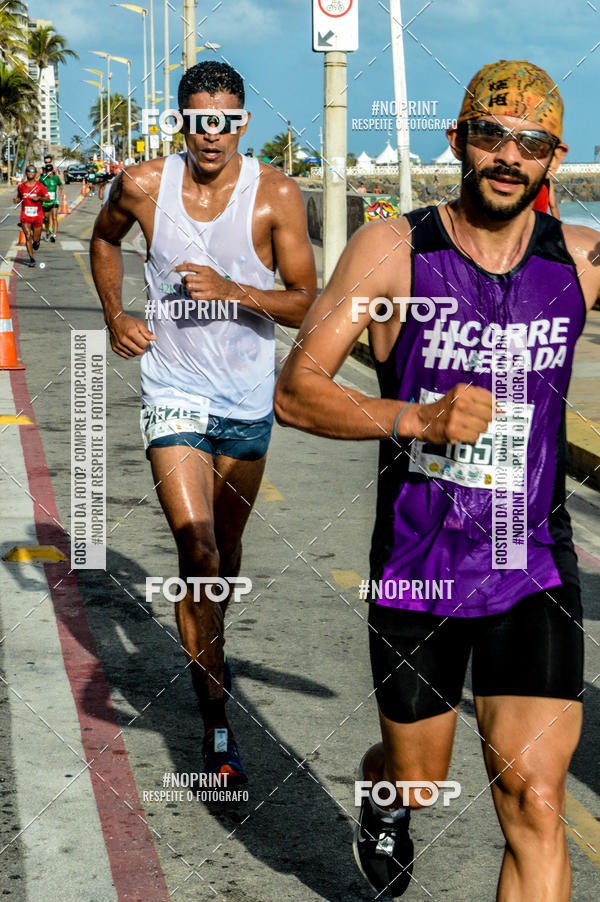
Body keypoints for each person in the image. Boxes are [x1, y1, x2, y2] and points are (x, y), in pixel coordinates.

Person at [275, 59, 597, 900]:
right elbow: (297, 390)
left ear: (554, 160)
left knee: (535, 796)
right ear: (457, 140)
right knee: (418, 777)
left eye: (530, 143)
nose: (508, 156)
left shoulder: (583, 260)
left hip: (534, 563)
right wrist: (416, 418)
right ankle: (385, 794)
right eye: (491, 135)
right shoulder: (394, 248)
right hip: (420, 566)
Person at [90, 61, 317, 783]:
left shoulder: (276, 194)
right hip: (174, 390)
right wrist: (115, 314)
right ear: (180, 121)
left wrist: (235, 290)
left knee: (225, 550)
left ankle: (208, 641)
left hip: (246, 402)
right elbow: (103, 239)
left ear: (241, 122)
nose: (209, 133)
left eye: (223, 119)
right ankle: (218, 728)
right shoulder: (143, 186)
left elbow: (308, 298)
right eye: (196, 119)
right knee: (199, 550)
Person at [14, 165, 50, 266]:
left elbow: (48, 199)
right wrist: (16, 200)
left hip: (37, 215)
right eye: (28, 171)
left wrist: (39, 198)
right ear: (26, 172)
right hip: (25, 216)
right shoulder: (21, 186)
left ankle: (37, 242)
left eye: (33, 171)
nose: (30, 173)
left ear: (35, 173)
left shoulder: (40, 186)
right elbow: (19, 197)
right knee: (28, 236)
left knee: (35, 238)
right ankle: (31, 258)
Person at [40, 156, 63, 242]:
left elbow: (61, 185)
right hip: (46, 201)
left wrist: (58, 196)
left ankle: (54, 235)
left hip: (54, 200)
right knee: (46, 218)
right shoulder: (42, 178)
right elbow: (38, 186)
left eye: (51, 172)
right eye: (48, 171)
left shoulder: (56, 178)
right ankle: (47, 232)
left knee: (54, 217)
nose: (50, 173)